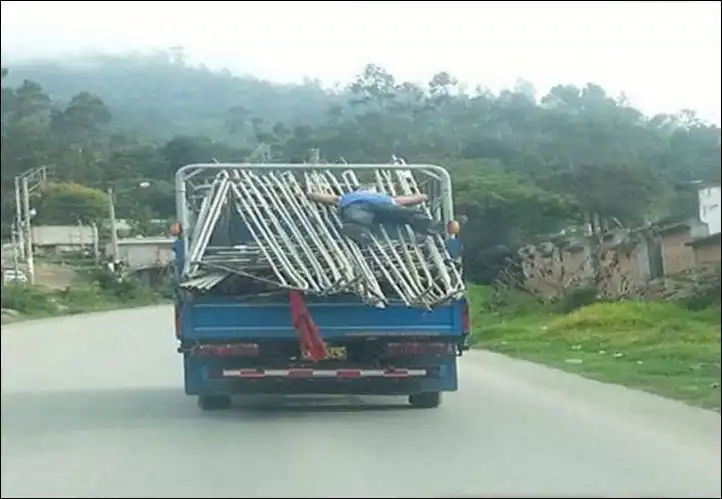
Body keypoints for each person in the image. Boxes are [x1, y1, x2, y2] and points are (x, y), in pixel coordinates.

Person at [305, 187, 444, 244]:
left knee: (357, 217)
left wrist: (310, 194)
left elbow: (328, 198)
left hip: (357, 206)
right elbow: (407, 200)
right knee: (408, 213)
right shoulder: (384, 197)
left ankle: (358, 231)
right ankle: (429, 225)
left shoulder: (348, 196)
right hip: (380, 206)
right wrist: (422, 197)